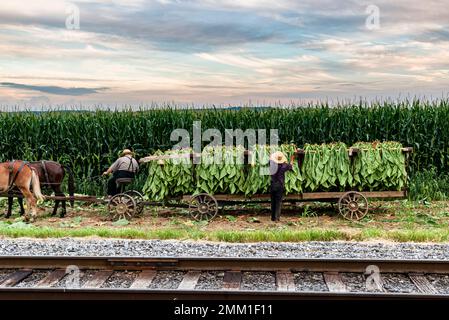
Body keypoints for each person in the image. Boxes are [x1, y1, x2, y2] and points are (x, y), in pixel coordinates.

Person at [269, 151, 294, 221]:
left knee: (273, 202)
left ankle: (273, 218)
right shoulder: (284, 166)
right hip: (279, 185)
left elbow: (270, 159)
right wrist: (292, 158)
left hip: (272, 185)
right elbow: (291, 165)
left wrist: (271, 156)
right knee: (278, 202)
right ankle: (277, 218)